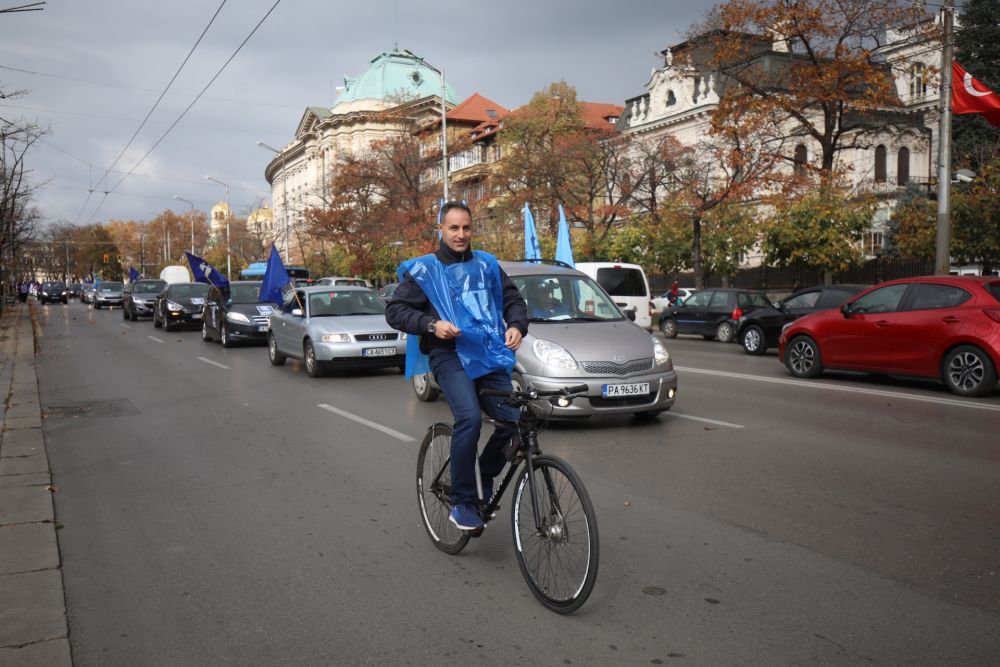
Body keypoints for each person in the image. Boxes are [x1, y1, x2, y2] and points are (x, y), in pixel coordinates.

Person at [386, 201, 528, 531]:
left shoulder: (488, 265)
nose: (461, 234)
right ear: (441, 229)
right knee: (469, 418)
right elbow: (395, 311)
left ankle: (482, 474)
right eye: (453, 228)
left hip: (487, 354)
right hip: (448, 355)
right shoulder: (424, 270)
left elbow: (513, 300)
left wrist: (517, 325)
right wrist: (430, 325)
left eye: (466, 227)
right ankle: (463, 501)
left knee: (514, 424)